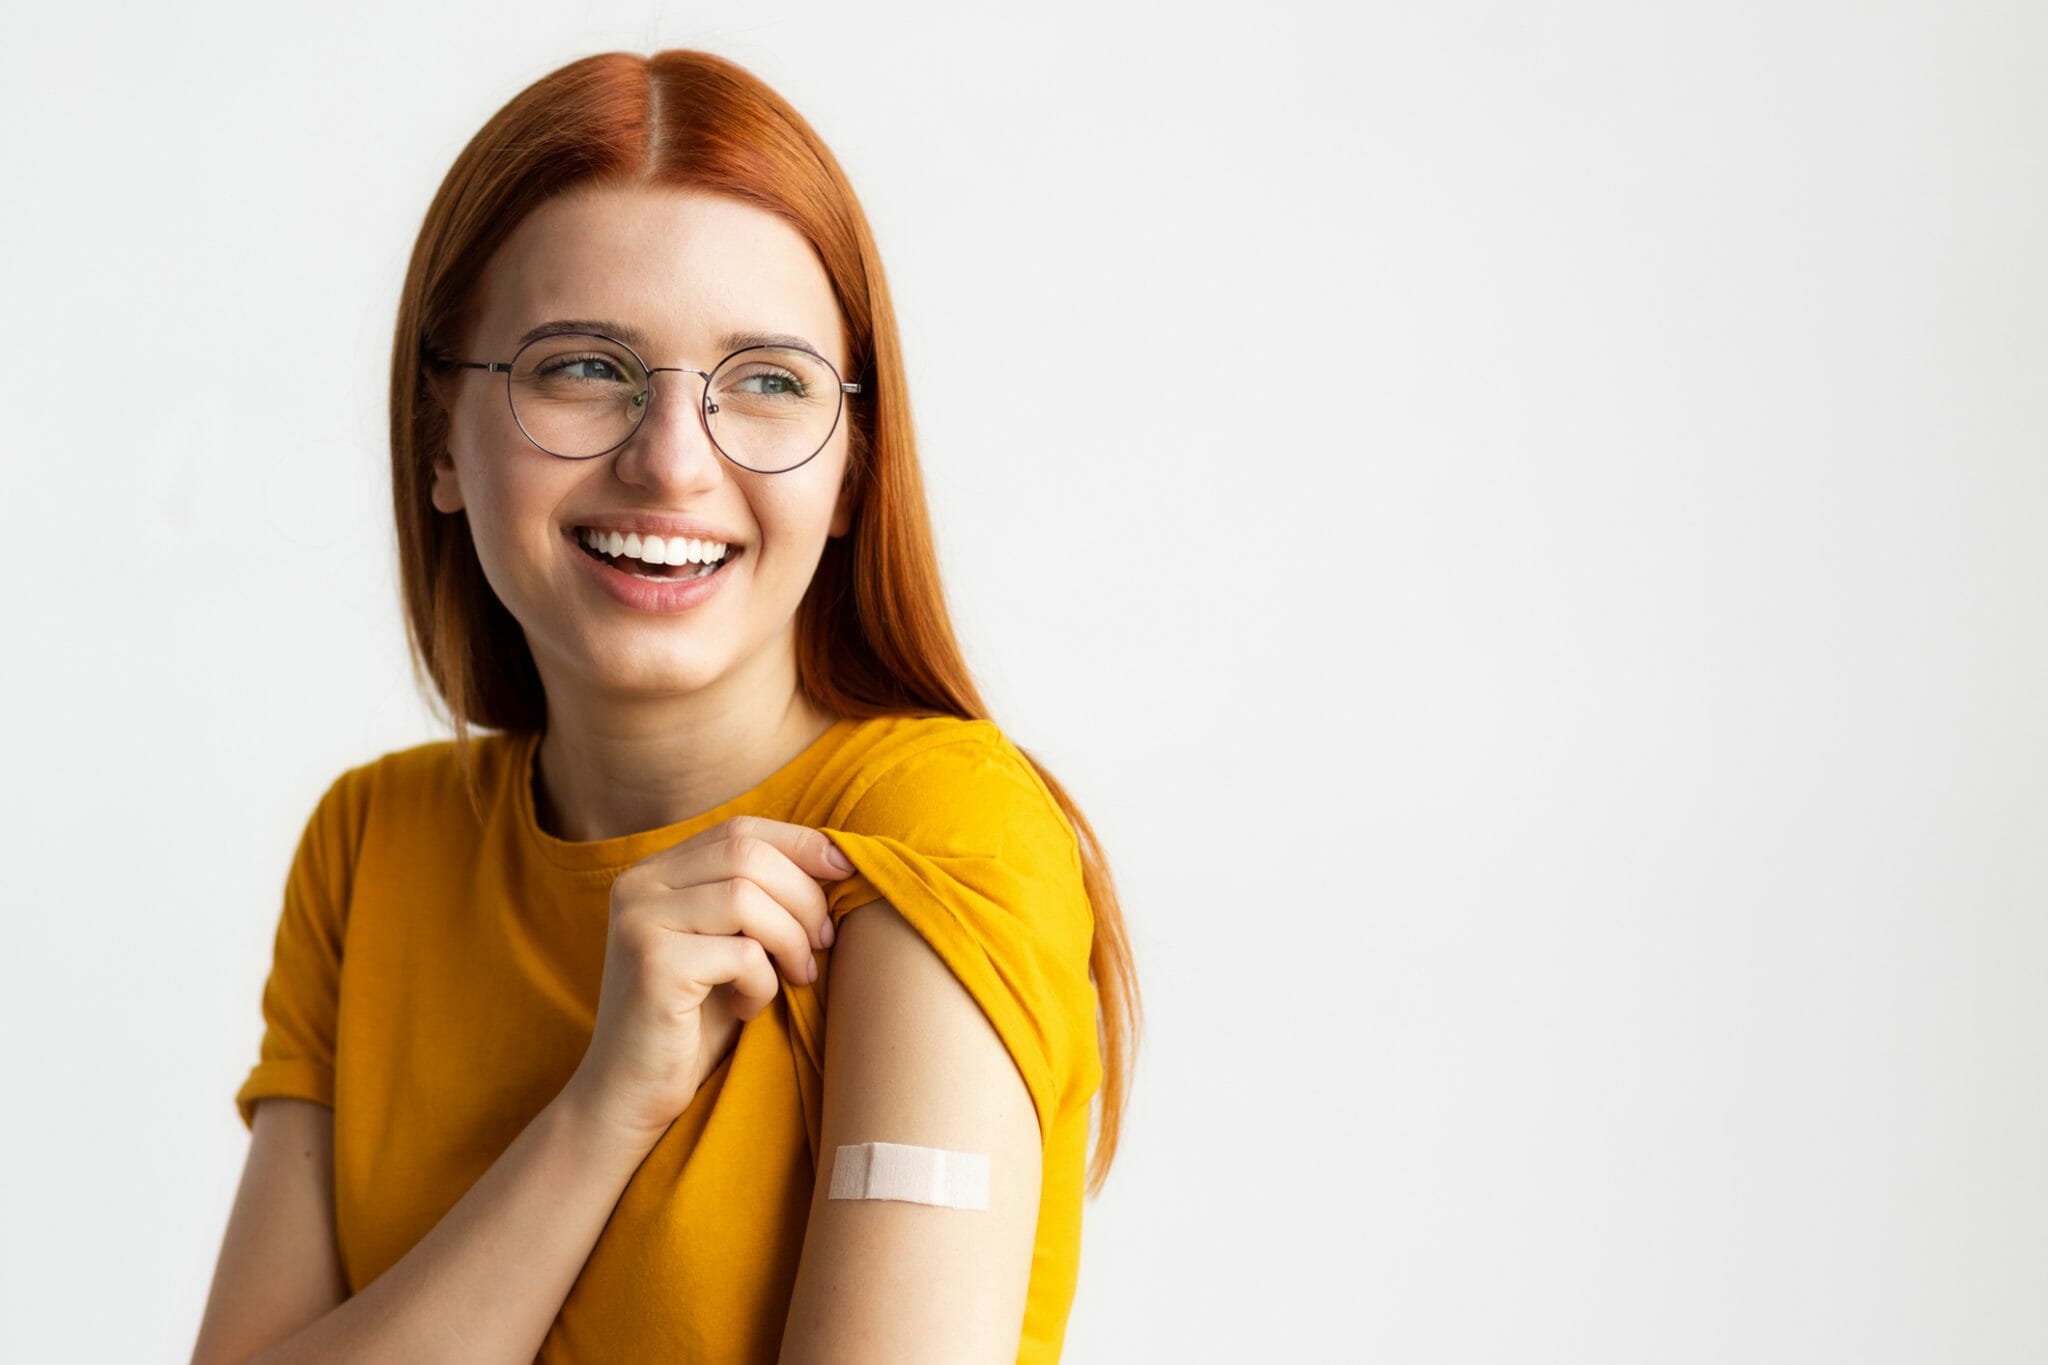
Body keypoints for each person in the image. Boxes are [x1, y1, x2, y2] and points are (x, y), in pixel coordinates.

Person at [190, 48, 1140, 1365]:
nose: (673, 462)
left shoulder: (941, 830)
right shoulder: (370, 846)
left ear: (854, 467)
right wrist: (602, 1110)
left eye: (768, 381)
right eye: (583, 368)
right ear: (439, 440)